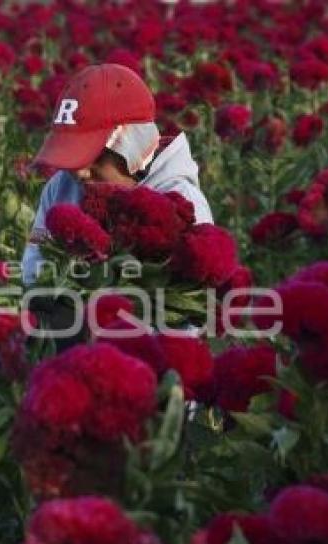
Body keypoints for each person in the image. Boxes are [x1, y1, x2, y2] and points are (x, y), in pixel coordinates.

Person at [21, 63, 213, 345]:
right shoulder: (61, 188)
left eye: (93, 157)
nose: (80, 172)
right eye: (72, 154)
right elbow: (33, 275)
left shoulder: (183, 204)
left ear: (131, 147)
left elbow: (186, 326)